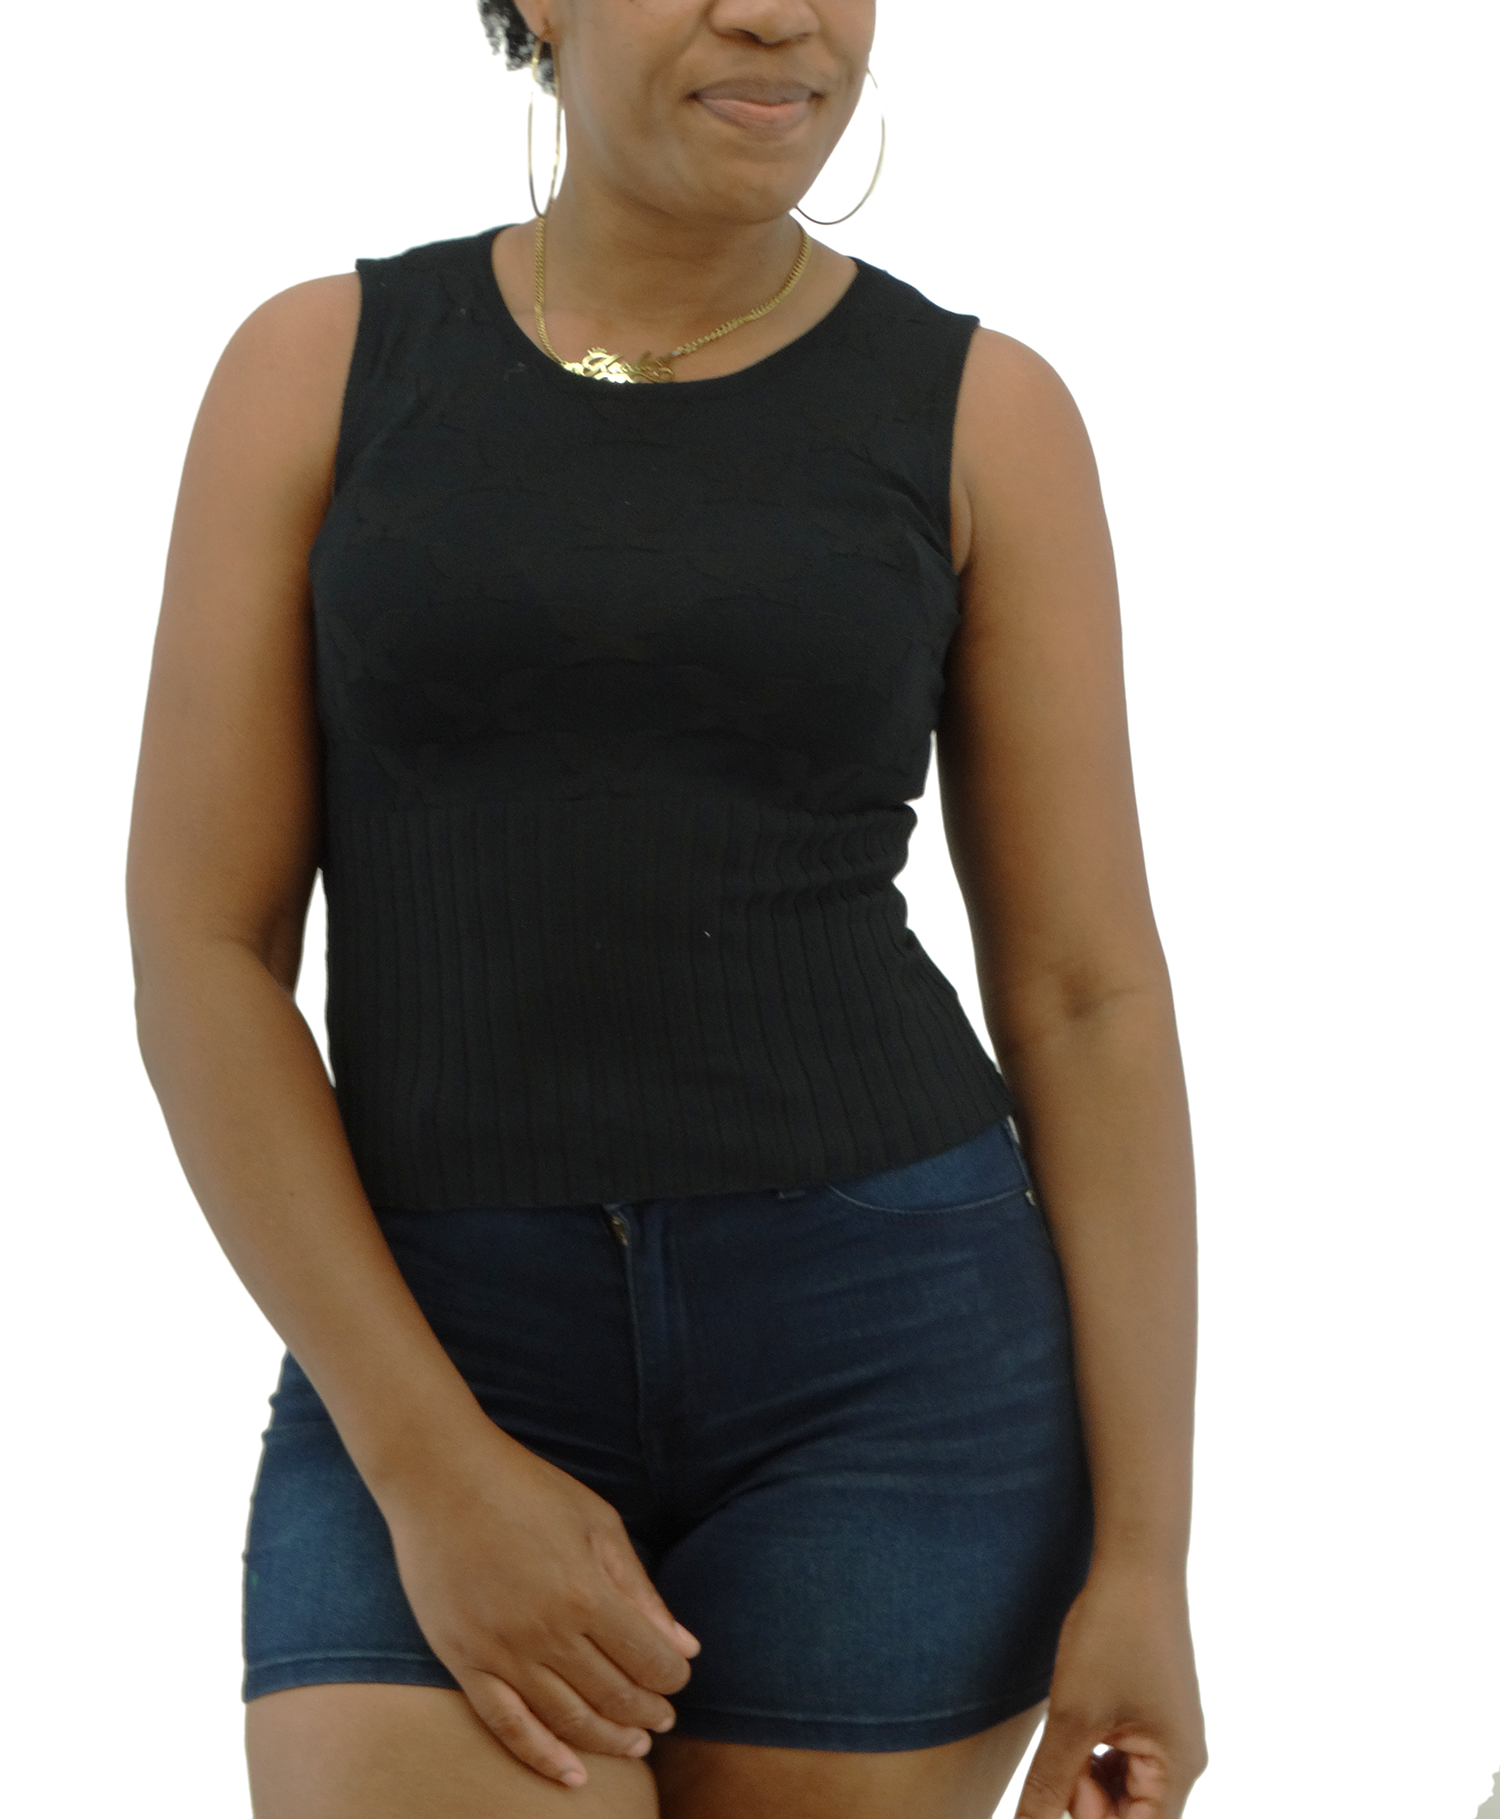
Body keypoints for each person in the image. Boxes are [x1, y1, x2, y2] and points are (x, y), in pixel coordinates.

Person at [125, 1, 1208, 1814]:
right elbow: (203, 947)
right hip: (433, 1333)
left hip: (898, 1364)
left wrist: (1149, 1559)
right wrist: (428, 1460)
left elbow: (1088, 990)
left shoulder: (984, 413)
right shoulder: (320, 368)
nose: (780, 10)